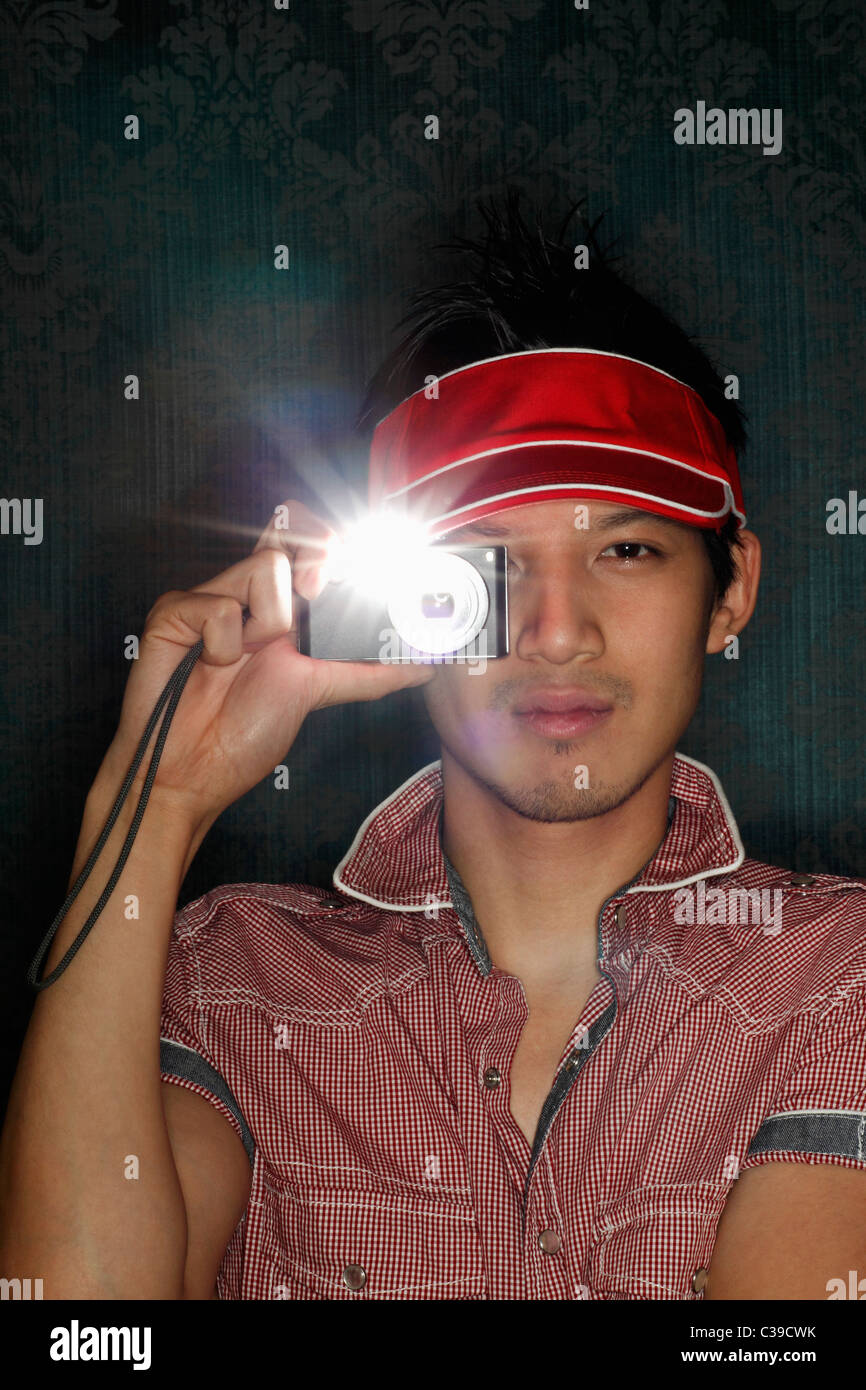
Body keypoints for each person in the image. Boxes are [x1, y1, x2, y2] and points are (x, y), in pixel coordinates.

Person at [2, 192, 865, 1302]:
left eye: (629, 550)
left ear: (729, 586)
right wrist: (151, 802)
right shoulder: (230, 979)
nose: (559, 629)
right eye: (483, 562)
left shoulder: (835, 978)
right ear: (394, 601)